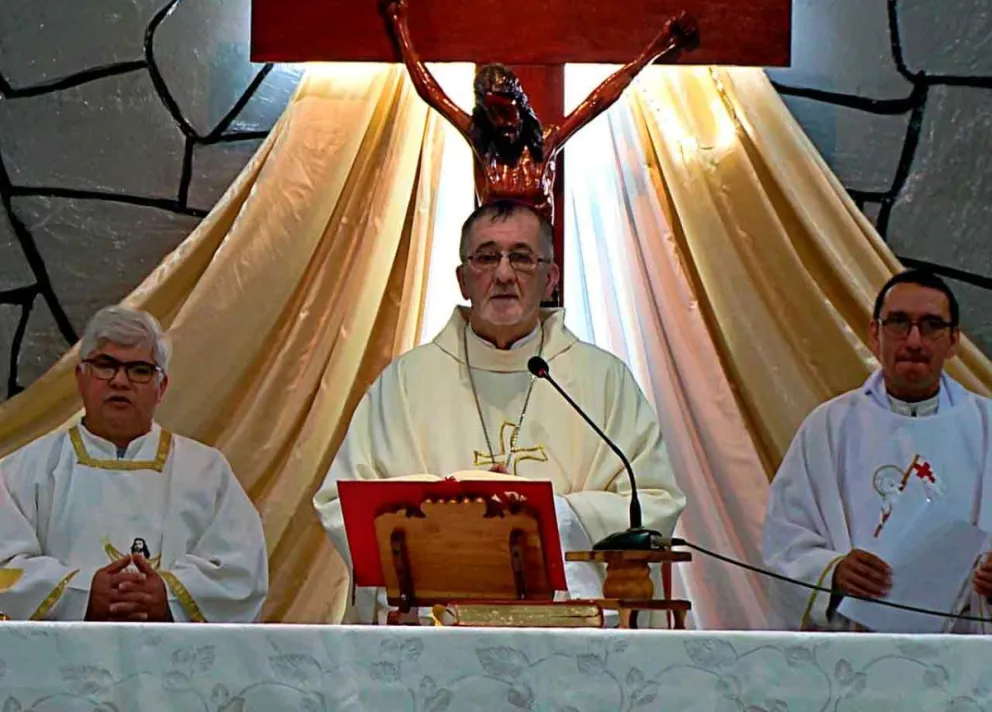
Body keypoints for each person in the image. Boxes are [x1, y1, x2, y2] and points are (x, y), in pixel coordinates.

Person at [314, 199, 685, 623]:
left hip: (574, 636)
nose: (504, 274)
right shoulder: (403, 383)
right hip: (433, 634)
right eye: (487, 257)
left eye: (522, 258)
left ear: (550, 279)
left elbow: (655, 501)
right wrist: (459, 517)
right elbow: (341, 504)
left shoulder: (604, 380)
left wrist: (555, 516)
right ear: (462, 279)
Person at [0, 306, 268, 622]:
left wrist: (169, 594)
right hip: (60, 651)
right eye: (105, 365)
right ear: (81, 378)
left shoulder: (207, 473)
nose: (120, 381)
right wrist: (82, 592)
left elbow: (242, 571)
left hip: (173, 651)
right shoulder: (21, 472)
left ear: (161, 387)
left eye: (139, 370)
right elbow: (5, 569)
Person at [762, 269, 992, 631]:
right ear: (874, 333)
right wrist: (833, 573)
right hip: (858, 648)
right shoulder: (828, 428)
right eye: (898, 323)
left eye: (931, 325)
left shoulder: (988, 426)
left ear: (953, 341)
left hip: (965, 647)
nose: (914, 340)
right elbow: (784, 540)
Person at [380, 0, 697, 221]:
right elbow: (430, 92)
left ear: (521, 107)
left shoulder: (546, 142)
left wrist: (661, 44)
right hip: (491, 266)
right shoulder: (482, 142)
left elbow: (600, 99)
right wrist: (399, 24)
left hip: (538, 269)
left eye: (507, 113)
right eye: (493, 115)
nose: (503, 124)